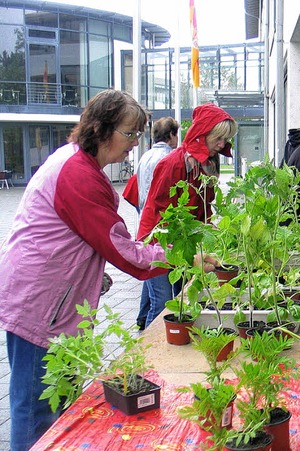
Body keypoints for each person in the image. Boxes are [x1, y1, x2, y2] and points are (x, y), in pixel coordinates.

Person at [0, 90, 168, 450]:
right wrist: (180, 257)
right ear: (100, 128)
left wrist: (90, 274)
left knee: (60, 412)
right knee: (37, 419)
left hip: (53, 306)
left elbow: (76, 240)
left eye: (139, 134)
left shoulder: (79, 164)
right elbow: (124, 251)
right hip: (40, 309)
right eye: (129, 133)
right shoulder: (78, 174)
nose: (134, 144)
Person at [137, 103, 238, 329]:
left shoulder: (208, 163)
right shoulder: (173, 164)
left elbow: (204, 207)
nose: (222, 145)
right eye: (218, 138)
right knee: (163, 302)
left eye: (225, 139)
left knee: (183, 297)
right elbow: (158, 213)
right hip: (159, 243)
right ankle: (148, 354)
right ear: (203, 134)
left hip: (184, 242)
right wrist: (175, 251)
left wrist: (208, 231)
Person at [134, 117, 180, 330]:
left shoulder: (145, 156)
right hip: (159, 233)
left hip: (145, 225)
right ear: (172, 135)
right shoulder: (169, 158)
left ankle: (142, 320)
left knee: (150, 280)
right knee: (162, 300)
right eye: (176, 134)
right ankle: (149, 335)